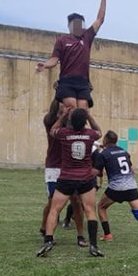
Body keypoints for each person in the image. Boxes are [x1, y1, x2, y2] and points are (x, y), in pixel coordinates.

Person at [37, 107, 104, 258]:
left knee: (54, 209)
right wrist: (90, 116)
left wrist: (63, 116)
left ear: (71, 122)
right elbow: (99, 131)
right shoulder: (90, 135)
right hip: (86, 179)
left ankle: (48, 241)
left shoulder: (64, 134)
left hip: (66, 178)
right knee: (90, 211)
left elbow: (53, 130)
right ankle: (93, 245)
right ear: (85, 122)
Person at [35, 0, 109, 110]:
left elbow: (100, 19)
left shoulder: (87, 37)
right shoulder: (62, 40)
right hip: (67, 81)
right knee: (71, 109)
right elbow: (54, 59)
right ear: (69, 26)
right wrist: (45, 65)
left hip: (83, 82)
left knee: (82, 110)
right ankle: (63, 126)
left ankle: (83, 129)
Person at [93, 130, 138, 244]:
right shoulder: (124, 151)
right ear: (116, 140)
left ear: (105, 140)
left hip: (116, 188)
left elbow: (97, 172)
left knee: (101, 207)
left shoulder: (104, 154)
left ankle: (107, 235)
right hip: (131, 186)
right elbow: (131, 170)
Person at [41, 98, 86, 247]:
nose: (65, 111)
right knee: (53, 201)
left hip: (68, 169)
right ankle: (46, 230)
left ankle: (80, 235)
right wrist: (59, 99)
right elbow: (53, 120)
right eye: (62, 109)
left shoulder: (72, 127)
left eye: (67, 109)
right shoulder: (50, 122)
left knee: (76, 202)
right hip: (54, 167)